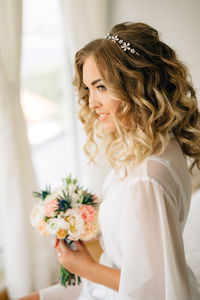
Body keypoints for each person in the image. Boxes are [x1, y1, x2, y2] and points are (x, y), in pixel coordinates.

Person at [19, 22, 200, 300]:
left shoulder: (147, 177)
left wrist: (84, 267)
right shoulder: (161, 146)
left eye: (101, 87)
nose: (92, 103)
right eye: (89, 89)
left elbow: (155, 290)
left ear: (138, 86)